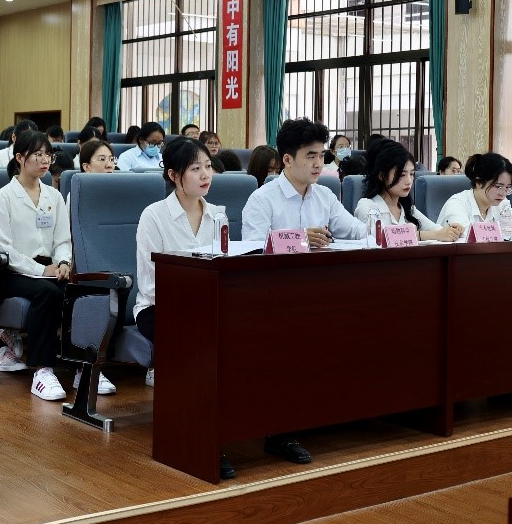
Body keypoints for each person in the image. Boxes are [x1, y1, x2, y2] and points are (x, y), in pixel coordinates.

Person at [132, 137, 233, 476]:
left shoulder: (218, 215)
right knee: (200, 346)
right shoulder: (153, 216)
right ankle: (202, 441)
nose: (206, 175)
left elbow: (223, 266)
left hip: (206, 307)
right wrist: (196, 304)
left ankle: (238, 429)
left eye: (208, 167)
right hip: (160, 308)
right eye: (195, 169)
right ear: (174, 175)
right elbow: (149, 283)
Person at [0, 131, 81, 398]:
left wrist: (63, 262)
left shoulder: (54, 196)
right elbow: (3, 248)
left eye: (48, 154)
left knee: (78, 291)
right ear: (19, 157)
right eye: (37, 154)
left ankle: (81, 367)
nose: (44, 160)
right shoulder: (3, 197)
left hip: (49, 268)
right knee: (47, 293)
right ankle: (42, 371)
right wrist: (41, 270)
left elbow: (63, 239)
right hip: (13, 271)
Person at [242, 118, 363, 249]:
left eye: (321, 156)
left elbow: (355, 230)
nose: (318, 164)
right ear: (287, 160)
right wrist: (299, 240)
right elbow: (253, 248)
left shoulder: (325, 196)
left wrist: (378, 230)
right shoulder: (261, 199)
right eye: (311, 157)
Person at [354, 139, 461, 242]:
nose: (409, 181)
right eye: (402, 175)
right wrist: (429, 235)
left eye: (412, 174)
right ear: (382, 176)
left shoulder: (408, 209)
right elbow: (382, 238)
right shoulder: (367, 206)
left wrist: (452, 230)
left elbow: (436, 230)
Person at [435, 152, 512, 239]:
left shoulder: (501, 204)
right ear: (479, 182)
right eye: (498, 186)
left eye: (507, 188)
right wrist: (510, 230)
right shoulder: (456, 203)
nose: (503, 193)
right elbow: (463, 234)